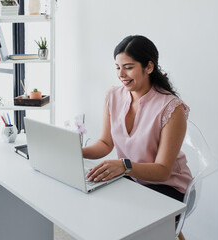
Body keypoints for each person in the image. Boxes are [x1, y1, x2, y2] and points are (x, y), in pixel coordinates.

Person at [82, 35, 192, 240]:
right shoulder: (113, 96)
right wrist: (76, 151)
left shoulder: (171, 107)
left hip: (168, 186)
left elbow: (162, 171)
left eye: (128, 67)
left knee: (127, 226)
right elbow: (105, 143)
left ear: (149, 67)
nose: (121, 74)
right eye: (117, 67)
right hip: (132, 179)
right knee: (95, 206)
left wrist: (123, 165)